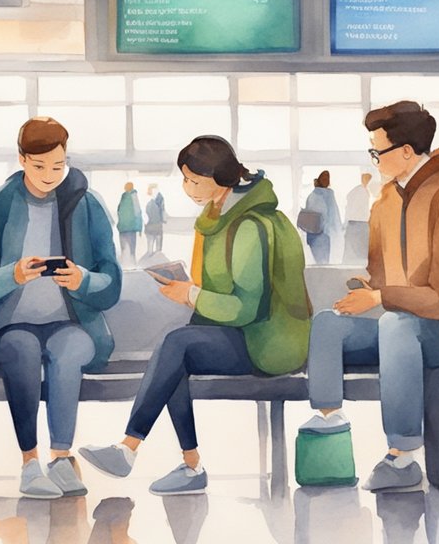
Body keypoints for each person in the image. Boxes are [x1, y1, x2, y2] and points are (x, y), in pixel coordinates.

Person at [81, 135, 311, 496]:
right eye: (185, 179)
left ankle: (131, 449)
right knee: (178, 350)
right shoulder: (215, 217)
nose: (188, 188)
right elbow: (219, 290)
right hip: (242, 331)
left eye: (194, 180)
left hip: (268, 341)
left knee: (178, 345)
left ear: (223, 179)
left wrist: (190, 294)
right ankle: (187, 466)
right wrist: (190, 288)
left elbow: (247, 307)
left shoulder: (249, 225)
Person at [300, 101, 439, 493]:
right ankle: (329, 423)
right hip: (403, 320)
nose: (375, 160)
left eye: (377, 151)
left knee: (396, 325)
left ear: (407, 152)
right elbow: (380, 275)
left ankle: (403, 456)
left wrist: (380, 297)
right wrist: (368, 288)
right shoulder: (386, 202)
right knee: (328, 323)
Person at [0, 117, 122, 499]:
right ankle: (30, 462)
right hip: (8, 324)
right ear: (21, 160)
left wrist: (83, 280)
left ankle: (61, 459)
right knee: (23, 350)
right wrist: (12, 275)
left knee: (67, 352)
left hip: (72, 322)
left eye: (58, 165)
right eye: (39, 166)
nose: (50, 175)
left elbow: (112, 281)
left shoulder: (85, 202)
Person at [302, 171, 342, 265]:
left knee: (321, 262)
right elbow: (332, 216)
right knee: (323, 263)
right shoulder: (320, 196)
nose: (326, 181)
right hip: (322, 234)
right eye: (324, 178)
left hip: (318, 234)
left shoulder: (316, 195)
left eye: (327, 178)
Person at [343, 172, 376, 263]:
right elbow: (361, 210)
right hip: (360, 224)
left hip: (354, 224)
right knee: (360, 252)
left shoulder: (357, 190)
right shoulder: (362, 192)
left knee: (352, 252)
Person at [115, 182, 142, 265]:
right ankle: (132, 263)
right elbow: (137, 211)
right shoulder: (133, 196)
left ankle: (125, 264)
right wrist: (139, 227)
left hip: (122, 227)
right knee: (131, 248)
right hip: (131, 227)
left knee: (124, 248)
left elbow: (119, 211)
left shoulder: (123, 197)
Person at [144, 183, 166, 256]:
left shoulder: (158, 198)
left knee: (154, 237)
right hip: (153, 222)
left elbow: (162, 210)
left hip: (153, 222)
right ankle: (155, 251)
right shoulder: (157, 197)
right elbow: (162, 210)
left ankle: (154, 251)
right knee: (156, 237)